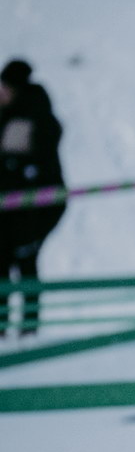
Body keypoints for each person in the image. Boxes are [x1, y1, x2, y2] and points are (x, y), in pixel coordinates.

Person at [0, 59, 66, 336]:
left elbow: (47, 178)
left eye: (4, 88)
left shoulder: (35, 120)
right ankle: (4, 326)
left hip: (30, 214)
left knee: (26, 266)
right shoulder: (8, 117)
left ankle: (28, 328)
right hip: (8, 213)